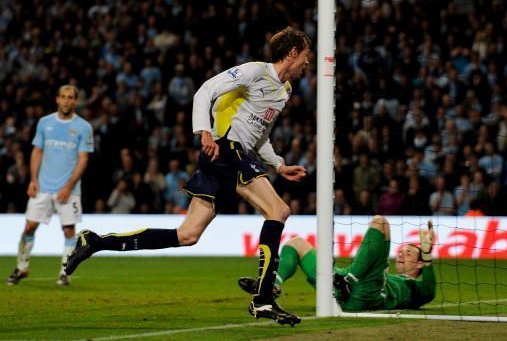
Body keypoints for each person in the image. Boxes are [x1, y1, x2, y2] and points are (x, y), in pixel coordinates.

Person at [65, 27, 311, 326]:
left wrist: (279, 164)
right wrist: (204, 130)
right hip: (224, 149)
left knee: (187, 235)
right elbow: (204, 91)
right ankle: (262, 299)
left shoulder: (284, 91)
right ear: (293, 52)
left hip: (234, 155)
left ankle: (95, 241)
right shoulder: (256, 71)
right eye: (306, 56)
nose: (307, 64)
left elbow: (261, 137)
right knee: (279, 210)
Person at [238, 215, 436, 312]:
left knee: (380, 222)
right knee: (296, 243)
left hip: (367, 293)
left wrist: (427, 255)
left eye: (408, 253)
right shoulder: (388, 275)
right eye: (401, 252)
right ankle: (272, 286)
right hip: (340, 284)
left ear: (420, 265)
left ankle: (347, 281)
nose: (401, 255)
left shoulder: (413, 288)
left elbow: (429, 291)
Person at [6, 85, 94, 286]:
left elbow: (83, 160)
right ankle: (21, 267)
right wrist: (33, 180)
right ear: (57, 99)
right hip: (43, 187)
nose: (66, 101)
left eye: (70, 97)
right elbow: (37, 152)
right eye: (62, 97)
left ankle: (65, 272)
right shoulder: (45, 123)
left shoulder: (83, 127)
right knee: (29, 227)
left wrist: (68, 186)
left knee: (69, 230)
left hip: (69, 190)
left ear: (76, 101)